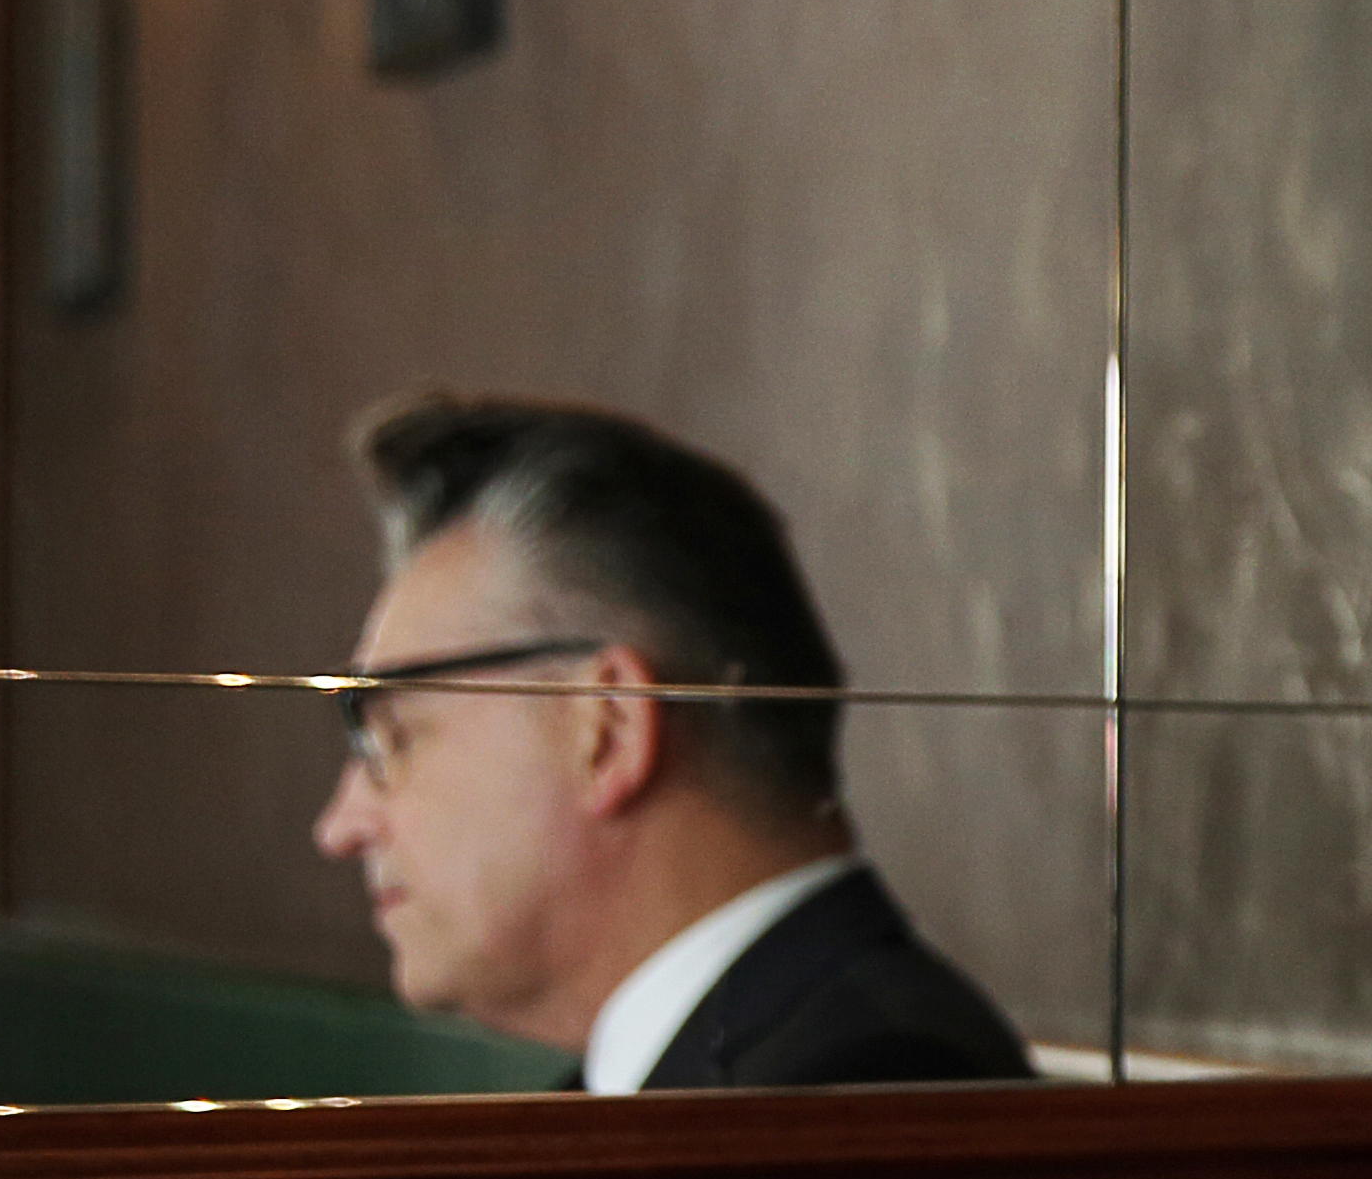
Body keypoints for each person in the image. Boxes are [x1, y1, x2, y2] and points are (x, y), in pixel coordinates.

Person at [309, 391, 1039, 1092]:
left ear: (607, 731)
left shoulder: (862, 1091)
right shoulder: (723, 1083)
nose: (340, 828)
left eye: (392, 739)